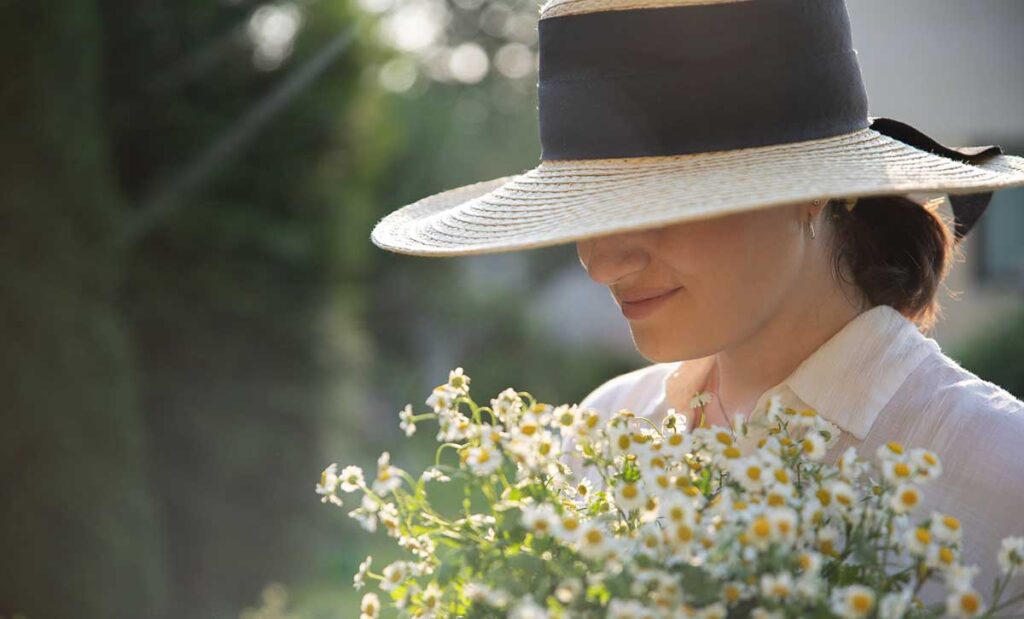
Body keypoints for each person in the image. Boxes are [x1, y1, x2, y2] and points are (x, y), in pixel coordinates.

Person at [368, 0, 1024, 611]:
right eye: (587, 210)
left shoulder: (1002, 476)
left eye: (663, 207)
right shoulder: (604, 433)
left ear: (811, 189)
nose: (600, 262)